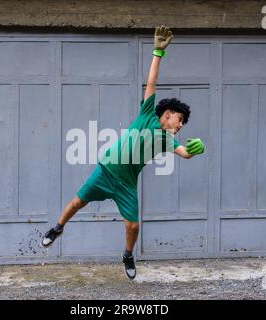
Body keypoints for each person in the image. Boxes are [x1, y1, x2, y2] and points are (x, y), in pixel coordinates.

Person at [42, 26, 205, 280]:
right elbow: (151, 82)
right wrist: (158, 52)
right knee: (77, 203)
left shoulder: (166, 140)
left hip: (126, 184)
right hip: (106, 171)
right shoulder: (147, 114)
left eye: (183, 123)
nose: (181, 125)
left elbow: (184, 153)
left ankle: (128, 255)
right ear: (168, 113)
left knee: (133, 225)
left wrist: (195, 150)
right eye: (180, 119)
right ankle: (57, 228)